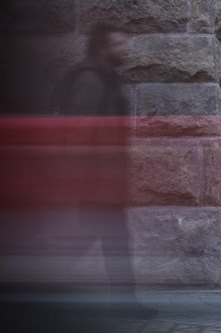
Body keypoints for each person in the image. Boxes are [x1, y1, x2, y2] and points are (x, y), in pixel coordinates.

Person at [55, 23, 157, 319]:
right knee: (109, 241)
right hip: (94, 181)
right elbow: (79, 131)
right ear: (103, 47)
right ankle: (24, 288)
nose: (125, 50)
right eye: (119, 44)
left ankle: (25, 288)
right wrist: (78, 180)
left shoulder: (106, 77)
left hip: (104, 180)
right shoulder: (91, 80)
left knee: (98, 240)